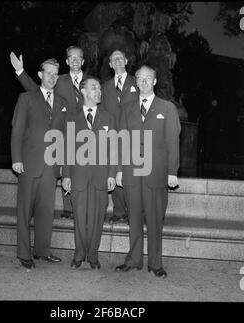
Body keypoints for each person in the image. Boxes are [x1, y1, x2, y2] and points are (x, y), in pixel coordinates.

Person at [115, 65, 181, 278]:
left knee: (154, 219)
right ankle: (134, 260)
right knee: (134, 217)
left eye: (148, 78)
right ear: (136, 82)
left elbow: (172, 141)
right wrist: (118, 170)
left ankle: (155, 263)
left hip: (156, 174)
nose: (143, 82)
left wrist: (172, 171)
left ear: (154, 81)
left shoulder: (167, 108)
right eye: (140, 78)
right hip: (132, 172)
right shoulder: (128, 108)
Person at [10, 46, 89, 219]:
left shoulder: (93, 81)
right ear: (67, 61)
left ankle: (84, 209)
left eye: (79, 57)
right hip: (62, 134)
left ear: (83, 60)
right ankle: (68, 209)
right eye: (71, 57)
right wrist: (21, 71)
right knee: (66, 169)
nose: (75, 61)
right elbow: (36, 92)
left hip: (85, 136)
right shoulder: (57, 79)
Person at [11, 58, 67, 269]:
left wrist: (61, 164)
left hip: (51, 167)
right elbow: (17, 130)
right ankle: (24, 254)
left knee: (46, 211)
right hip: (29, 163)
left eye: (55, 74)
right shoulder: (26, 98)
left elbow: (63, 136)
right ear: (40, 75)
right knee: (24, 211)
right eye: (48, 73)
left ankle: (42, 251)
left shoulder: (63, 103)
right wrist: (16, 159)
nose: (52, 77)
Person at [62, 77, 116, 270]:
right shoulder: (71, 117)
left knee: (97, 217)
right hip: (78, 176)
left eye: (100, 88)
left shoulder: (108, 118)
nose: (98, 91)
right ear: (83, 91)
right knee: (79, 217)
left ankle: (93, 254)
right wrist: (66, 175)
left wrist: (112, 174)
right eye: (94, 87)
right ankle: (79, 254)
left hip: (101, 177)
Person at [101, 49, 138, 225]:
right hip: (111, 136)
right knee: (114, 170)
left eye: (120, 59)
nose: (117, 62)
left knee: (130, 173)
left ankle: (134, 212)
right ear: (110, 64)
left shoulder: (136, 82)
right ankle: (118, 211)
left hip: (131, 135)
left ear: (126, 61)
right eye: (114, 59)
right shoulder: (105, 87)